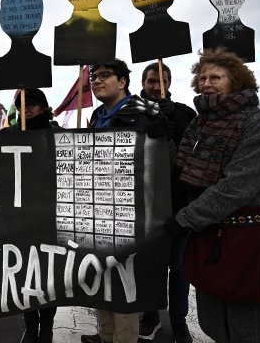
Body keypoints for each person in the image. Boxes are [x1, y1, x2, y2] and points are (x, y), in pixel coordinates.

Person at [165, 48, 260, 342]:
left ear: (236, 81)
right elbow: (184, 172)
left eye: (216, 77)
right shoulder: (201, 123)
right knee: (222, 317)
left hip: (252, 236)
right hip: (214, 235)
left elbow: (237, 185)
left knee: (254, 321)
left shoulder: (254, 123)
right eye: (202, 78)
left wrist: (186, 218)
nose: (206, 83)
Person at [81, 59, 166, 343]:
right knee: (101, 282)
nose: (97, 81)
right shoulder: (96, 116)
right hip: (98, 211)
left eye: (105, 76)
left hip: (132, 217)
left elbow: (164, 165)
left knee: (125, 288)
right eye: (94, 77)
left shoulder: (145, 113)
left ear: (123, 81)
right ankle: (105, 337)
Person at [138, 63, 196, 343]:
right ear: (143, 82)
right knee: (151, 266)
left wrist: (178, 126)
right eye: (151, 81)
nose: (156, 86)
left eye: (162, 81)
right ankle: (150, 315)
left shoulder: (184, 112)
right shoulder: (132, 112)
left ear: (170, 83)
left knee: (180, 267)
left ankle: (178, 320)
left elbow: (198, 151)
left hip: (179, 204)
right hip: (145, 207)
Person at [2, 88, 59, 343]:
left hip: (50, 218)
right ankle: (31, 327)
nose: (26, 109)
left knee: (48, 279)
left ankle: (46, 328)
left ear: (43, 107)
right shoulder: (8, 135)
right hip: (20, 220)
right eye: (21, 105)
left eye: (32, 104)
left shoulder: (57, 134)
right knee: (24, 276)